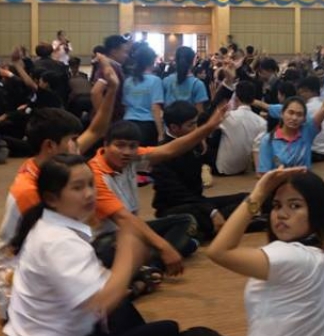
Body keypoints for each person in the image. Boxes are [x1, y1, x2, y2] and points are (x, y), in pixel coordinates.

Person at [0, 155, 181, 336]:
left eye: (91, 184)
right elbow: (100, 303)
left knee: (124, 313)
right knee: (166, 333)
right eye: (78, 188)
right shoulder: (58, 241)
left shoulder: (50, 226)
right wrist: (128, 256)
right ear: (52, 198)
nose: (89, 194)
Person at [179, 168, 324, 336]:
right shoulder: (322, 246)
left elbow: (219, 251)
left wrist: (258, 194)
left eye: (295, 206)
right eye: (277, 206)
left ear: (316, 211)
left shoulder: (288, 255)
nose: (281, 214)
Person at [0, 59, 120, 319]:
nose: (77, 146)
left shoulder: (49, 164)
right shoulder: (30, 191)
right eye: (72, 141)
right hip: (19, 295)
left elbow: (97, 129)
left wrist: (113, 89)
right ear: (50, 146)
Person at [88, 110, 228, 272]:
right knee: (180, 244)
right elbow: (124, 218)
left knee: (185, 221)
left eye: (132, 146)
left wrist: (208, 127)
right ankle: (153, 264)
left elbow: (170, 149)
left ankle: (149, 265)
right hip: (106, 240)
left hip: (131, 232)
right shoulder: (95, 174)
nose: (126, 152)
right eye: (119, 145)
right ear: (105, 145)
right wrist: (164, 247)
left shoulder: (133, 157)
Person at [152, 101, 253, 241]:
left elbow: (211, 161)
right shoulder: (160, 155)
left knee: (248, 198)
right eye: (191, 125)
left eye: (196, 123)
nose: (196, 129)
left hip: (198, 201)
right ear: (174, 127)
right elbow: (179, 194)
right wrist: (212, 211)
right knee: (196, 218)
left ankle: (227, 225)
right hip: (175, 207)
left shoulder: (196, 143)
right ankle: (240, 223)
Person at [257, 62, 324, 213]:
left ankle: (299, 208)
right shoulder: (269, 140)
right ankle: (300, 209)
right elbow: (263, 177)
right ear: (282, 114)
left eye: (299, 115)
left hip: (304, 188)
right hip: (279, 191)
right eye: (290, 113)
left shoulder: (307, 131)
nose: (294, 118)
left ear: (304, 118)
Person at [214, 80, 267, 176]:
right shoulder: (262, 122)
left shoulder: (228, 116)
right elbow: (257, 148)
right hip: (242, 167)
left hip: (222, 168)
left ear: (236, 98)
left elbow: (210, 125)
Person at [122, 45, 164, 147]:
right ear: (152, 61)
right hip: (147, 125)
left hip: (128, 123)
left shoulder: (128, 81)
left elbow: (125, 106)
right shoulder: (155, 80)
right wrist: (161, 133)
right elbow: (155, 108)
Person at [162, 46, 209, 113]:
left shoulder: (166, 81)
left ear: (175, 60)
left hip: (168, 119)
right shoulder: (198, 84)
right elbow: (199, 112)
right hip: (190, 119)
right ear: (193, 61)